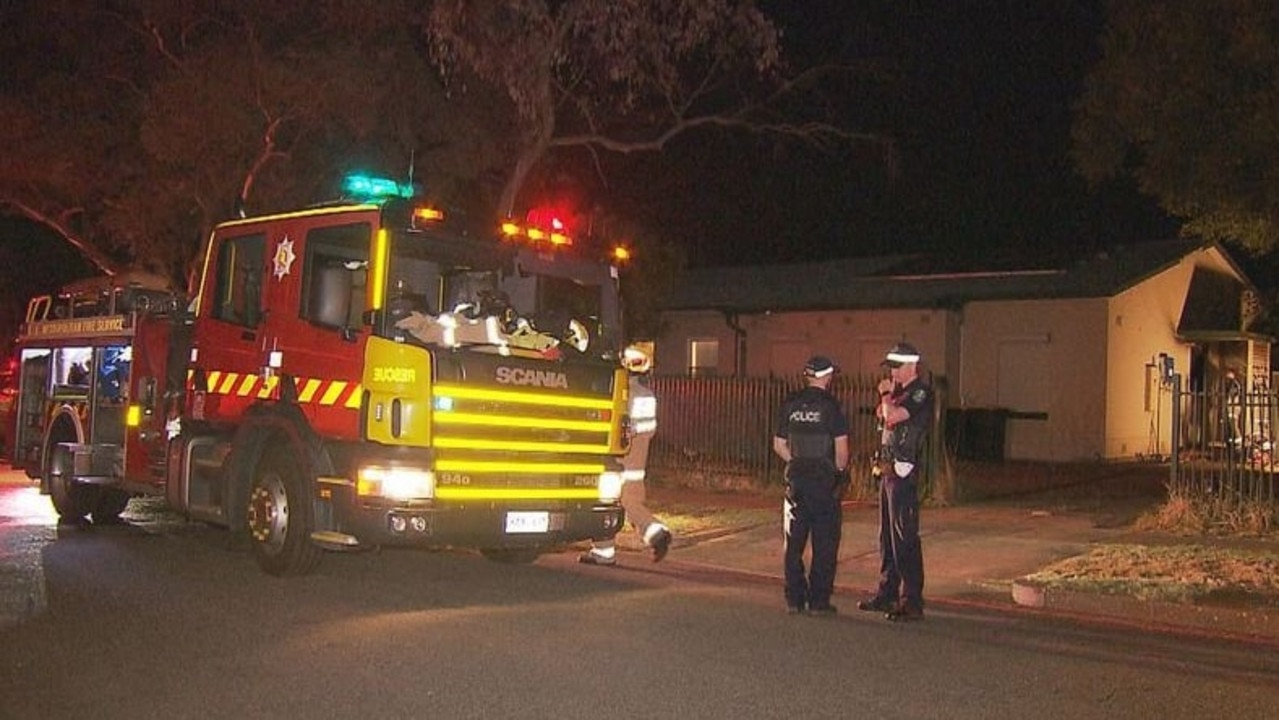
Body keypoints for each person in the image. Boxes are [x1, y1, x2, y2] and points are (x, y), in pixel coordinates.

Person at [858, 342, 933, 622]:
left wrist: (887, 395)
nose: (891, 373)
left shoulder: (920, 393)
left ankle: (911, 600)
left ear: (911, 366)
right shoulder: (900, 394)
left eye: (895, 367)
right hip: (888, 470)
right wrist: (888, 399)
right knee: (886, 537)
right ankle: (887, 592)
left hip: (904, 471)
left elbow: (892, 416)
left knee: (905, 537)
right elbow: (883, 417)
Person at [772, 355, 850, 616]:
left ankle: (794, 598)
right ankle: (819, 601)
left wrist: (796, 462)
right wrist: (838, 471)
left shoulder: (790, 403)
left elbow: (778, 445)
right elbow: (841, 451)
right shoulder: (831, 406)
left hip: (796, 481)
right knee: (824, 543)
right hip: (823, 482)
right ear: (826, 377)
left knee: (793, 543)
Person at [579, 349, 672, 566]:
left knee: (608, 499)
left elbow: (625, 428)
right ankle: (607, 550)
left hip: (621, 455)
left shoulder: (619, 391)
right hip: (637, 458)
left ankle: (652, 535)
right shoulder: (645, 394)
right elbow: (649, 429)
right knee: (626, 500)